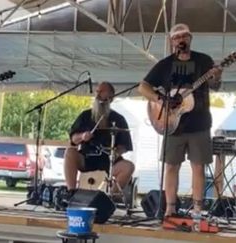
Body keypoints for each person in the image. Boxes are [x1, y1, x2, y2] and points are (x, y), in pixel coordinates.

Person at [138, 23, 222, 217]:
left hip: (199, 123)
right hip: (172, 125)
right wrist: (161, 99)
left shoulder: (203, 61)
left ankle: (198, 210)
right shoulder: (165, 64)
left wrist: (217, 76)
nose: (181, 40)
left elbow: (214, 85)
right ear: (171, 41)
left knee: (198, 166)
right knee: (171, 166)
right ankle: (169, 209)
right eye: (177, 37)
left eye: (184, 36)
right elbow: (143, 87)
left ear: (190, 38)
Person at [64, 82, 135, 193]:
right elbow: (73, 139)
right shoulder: (85, 115)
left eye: (102, 92)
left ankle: (110, 197)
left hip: (109, 161)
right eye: (97, 92)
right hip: (87, 158)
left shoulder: (119, 119)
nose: (97, 95)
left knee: (129, 167)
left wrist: (116, 152)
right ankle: (71, 192)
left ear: (111, 97)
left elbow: (125, 145)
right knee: (70, 153)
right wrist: (82, 136)